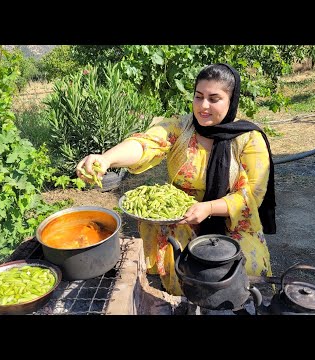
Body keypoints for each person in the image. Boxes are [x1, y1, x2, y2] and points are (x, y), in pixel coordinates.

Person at [76, 63, 276, 296]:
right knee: (180, 263)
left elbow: (252, 194)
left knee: (235, 272)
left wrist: (208, 208)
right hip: (180, 216)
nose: (203, 106)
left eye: (214, 99)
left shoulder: (248, 139)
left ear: (231, 100)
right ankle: (179, 298)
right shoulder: (182, 127)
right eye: (198, 96)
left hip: (231, 222)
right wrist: (107, 158)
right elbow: (147, 143)